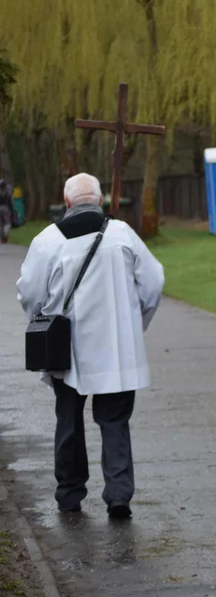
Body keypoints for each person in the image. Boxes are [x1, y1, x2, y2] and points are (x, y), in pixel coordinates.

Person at [17, 173, 165, 518]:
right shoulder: (122, 234)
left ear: (66, 202)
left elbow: (29, 293)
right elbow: (154, 281)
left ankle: (69, 494)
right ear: (100, 201)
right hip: (116, 348)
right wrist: (135, 321)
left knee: (68, 419)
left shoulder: (47, 241)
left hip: (64, 348)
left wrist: (42, 317)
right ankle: (118, 495)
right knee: (114, 421)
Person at [0, 179, 14, 243]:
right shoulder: (8, 192)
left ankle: (2, 237)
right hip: (6, 208)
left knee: (1, 224)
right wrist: (12, 210)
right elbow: (11, 202)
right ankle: (5, 235)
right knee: (7, 223)